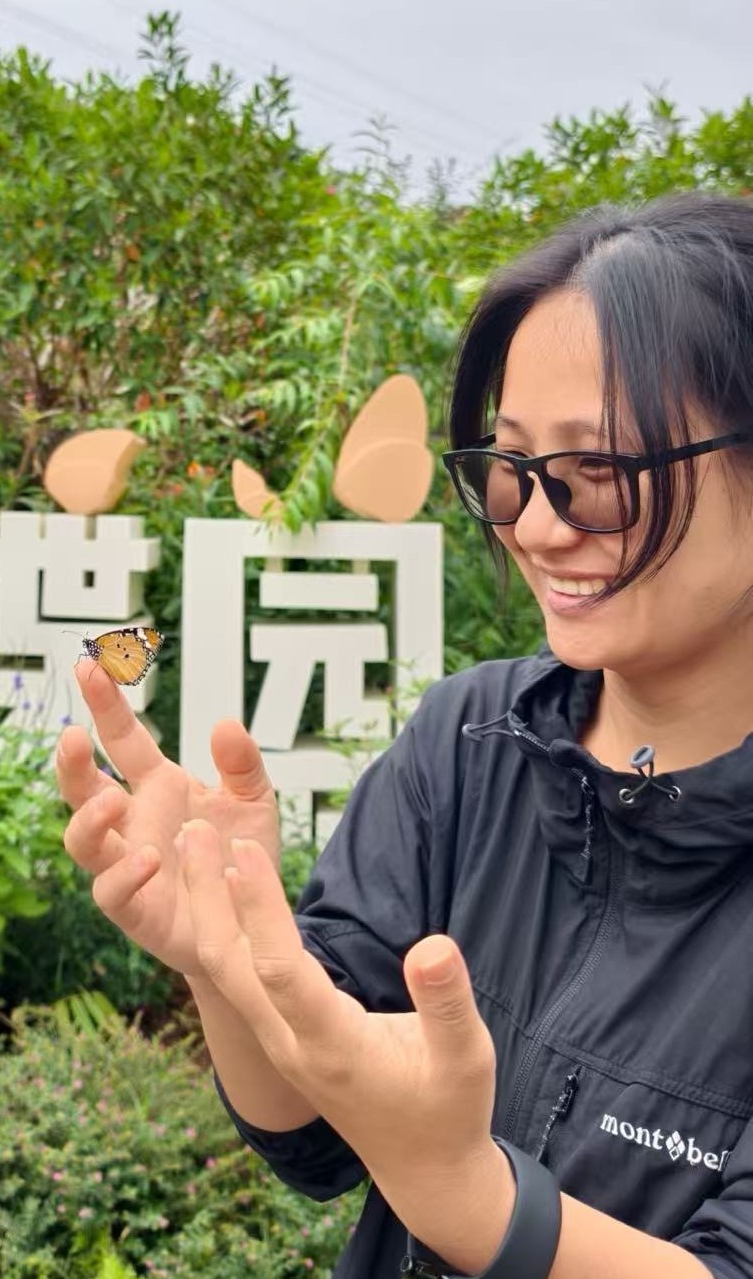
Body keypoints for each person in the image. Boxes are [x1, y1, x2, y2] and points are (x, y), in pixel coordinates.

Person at [55, 191, 753, 1279]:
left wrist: (472, 1200)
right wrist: (228, 958)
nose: (536, 525)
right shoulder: (468, 745)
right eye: (512, 469)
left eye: (600, 474)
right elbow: (315, 1134)